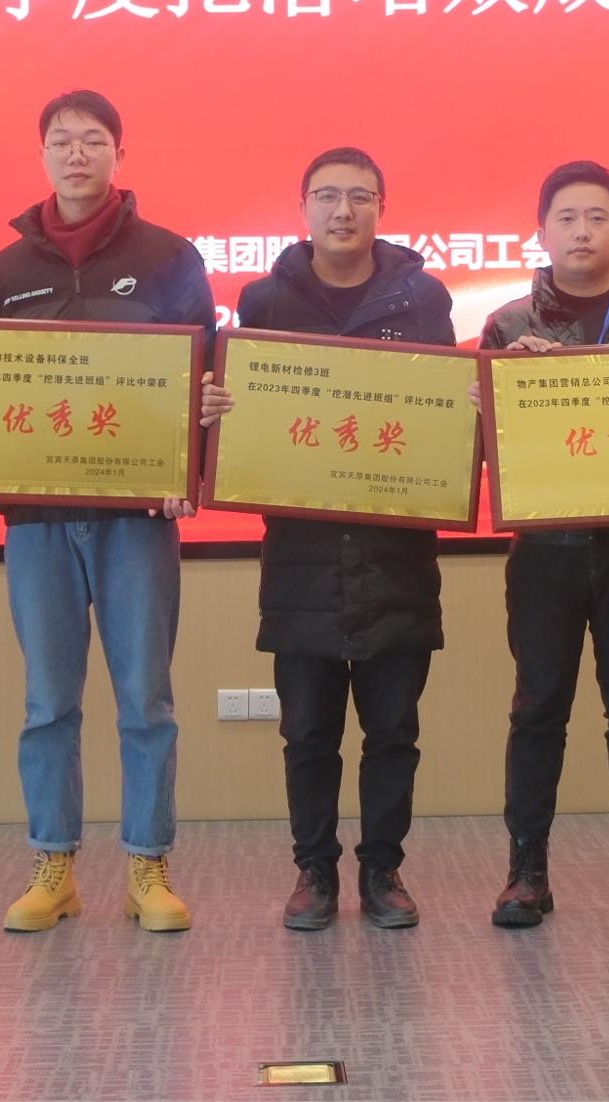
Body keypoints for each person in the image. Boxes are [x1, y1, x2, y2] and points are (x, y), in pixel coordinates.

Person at [0, 89, 214, 933]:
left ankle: (148, 867)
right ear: (42, 154)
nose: (76, 153)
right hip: (37, 522)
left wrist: (182, 467)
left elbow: (204, 378)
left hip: (135, 519)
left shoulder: (169, 257)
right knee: (48, 703)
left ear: (119, 153)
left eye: (92, 140)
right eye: (60, 140)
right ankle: (54, 866)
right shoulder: (6, 272)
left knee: (145, 702)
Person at [203, 147, 454, 931]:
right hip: (302, 557)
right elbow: (245, 422)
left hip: (395, 555)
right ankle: (314, 871)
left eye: (360, 197)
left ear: (382, 208)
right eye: (327, 196)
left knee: (393, 732)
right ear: (304, 207)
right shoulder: (265, 300)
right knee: (307, 733)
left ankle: (382, 871)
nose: (343, 211)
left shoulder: (423, 300)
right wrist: (218, 414)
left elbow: (445, 416)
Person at [481, 160, 609, 929]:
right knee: (538, 708)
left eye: (597, 217)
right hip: (545, 552)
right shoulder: (508, 327)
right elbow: (485, 449)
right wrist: (507, 391)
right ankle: (526, 871)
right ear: (540, 232)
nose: (582, 231)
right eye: (566, 217)